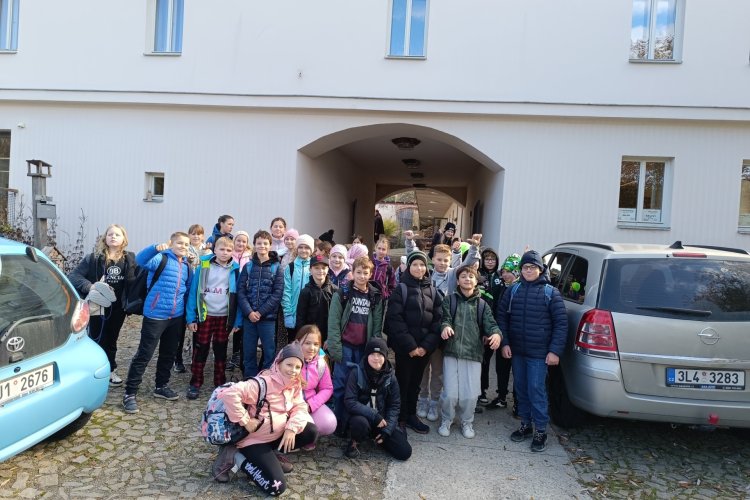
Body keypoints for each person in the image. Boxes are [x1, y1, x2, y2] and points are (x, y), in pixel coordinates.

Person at [218, 343, 318, 496]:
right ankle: (237, 457)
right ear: (278, 363)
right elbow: (229, 394)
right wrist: (245, 420)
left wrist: (291, 428)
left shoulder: (294, 383)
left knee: (311, 431)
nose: (293, 370)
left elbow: (300, 406)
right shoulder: (263, 383)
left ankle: (271, 456)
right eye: (289, 365)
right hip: (253, 440)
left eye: (298, 367)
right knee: (276, 488)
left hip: (273, 436)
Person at [405, 230, 482, 421]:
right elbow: (414, 259)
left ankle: (434, 402)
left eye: (446, 260)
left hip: (443, 330)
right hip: (425, 328)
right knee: (423, 369)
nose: (442, 263)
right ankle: (422, 399)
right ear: (432, 260)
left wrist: (474, 247)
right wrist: (409, 242)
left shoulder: (453, 275)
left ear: (450, 261)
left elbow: (468, 264)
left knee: (438, 370)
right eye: (439, 260)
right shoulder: (427, 274)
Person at [495, 250, 567, 453]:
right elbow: (502, 318)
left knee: (536, 389)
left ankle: (541, 430)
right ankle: (526, 424)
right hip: (517, 351)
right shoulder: (513, 290)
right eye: (525, 267)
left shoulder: (551, 293)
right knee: (521, 388)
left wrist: (554, 351)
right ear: (521, 270)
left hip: (539, 353)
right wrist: (505, 343)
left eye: (533, 267)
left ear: (540, 269)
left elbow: (561, 324)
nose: (528, 270)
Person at [122, 232, 193, 414]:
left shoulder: (187, 266)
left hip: (176, 317)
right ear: (171, 244)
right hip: (155, 315)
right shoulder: (160, 259)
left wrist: (187, 316)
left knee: (168, 353)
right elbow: (140, 260)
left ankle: (161, 386)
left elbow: (187, 291)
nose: (183, 247)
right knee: (144, 354)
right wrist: (155, 248)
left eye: (186, 244)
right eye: (179, 243)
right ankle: (130, 393)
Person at [438, 265, 502, 439]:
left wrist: (496, 334)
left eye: (471, 276)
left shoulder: (482, 305)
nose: (467, 279)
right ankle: (447, 419)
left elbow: (491, 324)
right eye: (463, 276)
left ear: (476, 281)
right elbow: (444, 319)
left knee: (471, 395)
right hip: (451, 352)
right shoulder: (450, 300)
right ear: (458, 281)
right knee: (450, 394)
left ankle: (467, 421)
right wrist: (445, 327)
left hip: (473, 354)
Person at [69, 223, 135, 386]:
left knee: (111, 339)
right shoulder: (93, 258)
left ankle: (110, 370)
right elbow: (74, 277)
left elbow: (139, 278)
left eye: (117, 234)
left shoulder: (130, 259)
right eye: (110, 234)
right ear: (105, 238)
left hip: (118, 308)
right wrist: (90, 287)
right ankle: (92, 370)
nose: (113, 237)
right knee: (95, 338)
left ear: (124, 239)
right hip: (96, 306)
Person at [385, 250, 442, 434]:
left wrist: (425, 346)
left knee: (416, 384)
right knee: (403, 383)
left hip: (424, 349)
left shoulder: (433, 291)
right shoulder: (400, 289)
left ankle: (411, 414)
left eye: (422, 264)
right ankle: (400, 417)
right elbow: (395, 320)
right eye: (415, 264)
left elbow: (438, 321)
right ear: (409, 267)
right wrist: (410, 346)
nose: (419, 268)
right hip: (405, 349)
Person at [327, 255, 384, 431]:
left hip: (363, 349)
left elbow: (376, 327)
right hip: (345, 347)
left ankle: (353, 422)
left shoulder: (374, 297)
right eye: (358, 272)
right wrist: (335, 349)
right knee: (340, 385)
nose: (362, 276)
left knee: (359, 386)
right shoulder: (342, 293)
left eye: (365, 273)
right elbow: (333, 323)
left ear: (370, 274)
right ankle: (338, 423)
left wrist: (372, 351)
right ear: (352, 273)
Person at [184, 237, 241, 400]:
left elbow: (238, 297)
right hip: (205, 315)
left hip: (224, 316)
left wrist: (237, 320)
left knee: (221, 350)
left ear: (232, 252)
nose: (225, 253)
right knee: (200, 349)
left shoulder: (235, 269)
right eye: (221, 249)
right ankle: (195, 382)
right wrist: (191, 317)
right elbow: (194, 291)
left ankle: (220, 382)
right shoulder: (204, 265)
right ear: (214, 250)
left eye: (228, 250)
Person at [342, 338, 411, 461]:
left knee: (404, 452)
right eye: (372, 354)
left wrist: (387, 431)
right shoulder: (356, 373)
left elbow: (394, 406)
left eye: (380, 354)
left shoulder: (391, 377)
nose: (376, 358)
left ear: (385, 356)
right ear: (366, 355)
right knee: (359, 424)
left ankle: (379, 437)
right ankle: (355, 441)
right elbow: (350, 402)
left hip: (382, 421)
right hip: (362, 417)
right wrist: (374, 416)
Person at [237, 230, 284, 378]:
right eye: (259, 243)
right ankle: (249, 381)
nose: (262, 246)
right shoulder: (248, 266)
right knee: (249, 352)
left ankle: (265, 381)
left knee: (269, 352)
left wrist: (260, 312)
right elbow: (241, 291)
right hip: (249, 318)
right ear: (254, 245)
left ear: (270, 245)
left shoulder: (277, 267)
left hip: (267, 319)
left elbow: (277, 294)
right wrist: (249, 312)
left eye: (265, 243)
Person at [486, 253, 521, 411]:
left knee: (517, 370)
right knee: (501, 368)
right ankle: (501, 397)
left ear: (517, 272)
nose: (505, 275)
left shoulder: (521, 288)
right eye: (504, 271)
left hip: (518, 336)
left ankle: (518, 402)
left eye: (509, 272)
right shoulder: (502, 287)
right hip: (502, 333)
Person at [296, 325, 336, 438]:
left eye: (316, 344)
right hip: (289, 403)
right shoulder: (287, 357)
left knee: (329, 423)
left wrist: (311, 404)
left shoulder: (321, 363)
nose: (312, 348)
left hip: (310, 401)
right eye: (307, 343)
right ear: (298, 342)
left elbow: (327, 388)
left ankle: (308, 438)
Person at [477, 247, 505, 406]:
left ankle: (484, 390)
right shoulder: (477, 275)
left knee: (486, 360)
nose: (489, 262)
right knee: (478, 360)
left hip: (494, 324)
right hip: (478, 324)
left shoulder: (500, 277)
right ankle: (476, 390)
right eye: (487, 259)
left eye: (492, 259)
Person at [295, 255, 337, 343]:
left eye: (323, 268)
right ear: (310, 270)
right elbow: (300, 318)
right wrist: (303, 337)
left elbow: (337, 317)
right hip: (311, 337)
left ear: (328, 269)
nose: (320, 271)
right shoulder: (305, 292)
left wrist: (331, 337)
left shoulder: (335, 290)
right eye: (316, 268)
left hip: (329, 337)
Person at [281, 234, 313, 342]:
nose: (303, 250)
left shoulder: (314, 267)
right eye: (301, 247)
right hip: (293, 313)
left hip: (309, 314)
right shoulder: (290, 267)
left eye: (307, 247)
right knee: (294, 343)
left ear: (311, 250)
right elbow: (286, 291)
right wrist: (288, 313)